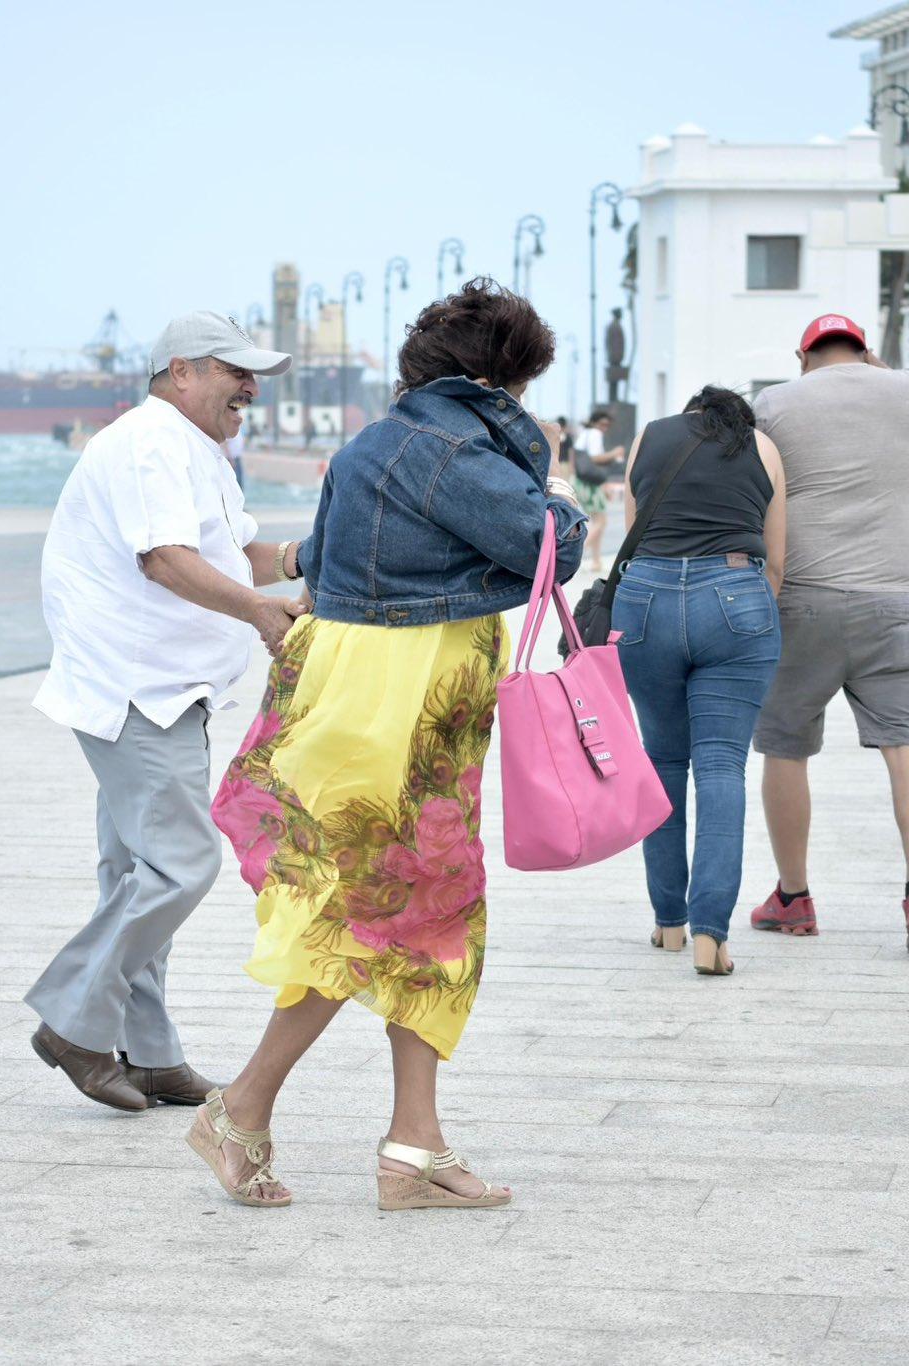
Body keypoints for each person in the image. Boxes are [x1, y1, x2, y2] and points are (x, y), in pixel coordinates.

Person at [199, 280, 586, 1211]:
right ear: (500, 374)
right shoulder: (454, 445)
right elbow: (552, 548)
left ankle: (413, 1146)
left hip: (373, 686)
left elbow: (329, 564)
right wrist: (561, 482)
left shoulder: (372, 443)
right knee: (378, 911)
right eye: (523, 382)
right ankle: (244, 1109)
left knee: (429, 916)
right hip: (404, 697)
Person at [26, 312, 303, 1113]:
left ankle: (148, 1052)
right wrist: (259, 613)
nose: (250, 387)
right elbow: (165, 560)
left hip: (158, 687)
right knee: (184, 863)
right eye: (234, 371)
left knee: (135, 873)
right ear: (179, 372)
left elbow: (233, 551)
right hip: (137, 686)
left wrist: (306, 559)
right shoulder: (150, 441)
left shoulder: (196, 451)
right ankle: (72, 1021)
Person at [748, 313, 909, 954]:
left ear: (804, 356)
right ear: (865, 352)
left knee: (786, 748)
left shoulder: (775, 402)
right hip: (895, 599)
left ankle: (793, 896)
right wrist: (882, 375)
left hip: (803, 599)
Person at [614, 386, 787, 976]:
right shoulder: (761, 446)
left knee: (661, 761)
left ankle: (668, 924)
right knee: (720, 765)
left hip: (645, 602)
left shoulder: (648, 438)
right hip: (736, 596)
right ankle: (712, 935)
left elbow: (631, 538)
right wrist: (751, 621)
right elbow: (779, 560)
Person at [574, 409, 627, 573]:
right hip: (590, 483)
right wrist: (615, 453)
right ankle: (576, 554)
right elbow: (596, 458)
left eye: (607, 425)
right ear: (596, 423)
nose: (605, 428)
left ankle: (596, 561)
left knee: (597, 522)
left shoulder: (585, 433)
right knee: (601, 522)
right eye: (603, 424)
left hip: (583, 481)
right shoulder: (595, 434)